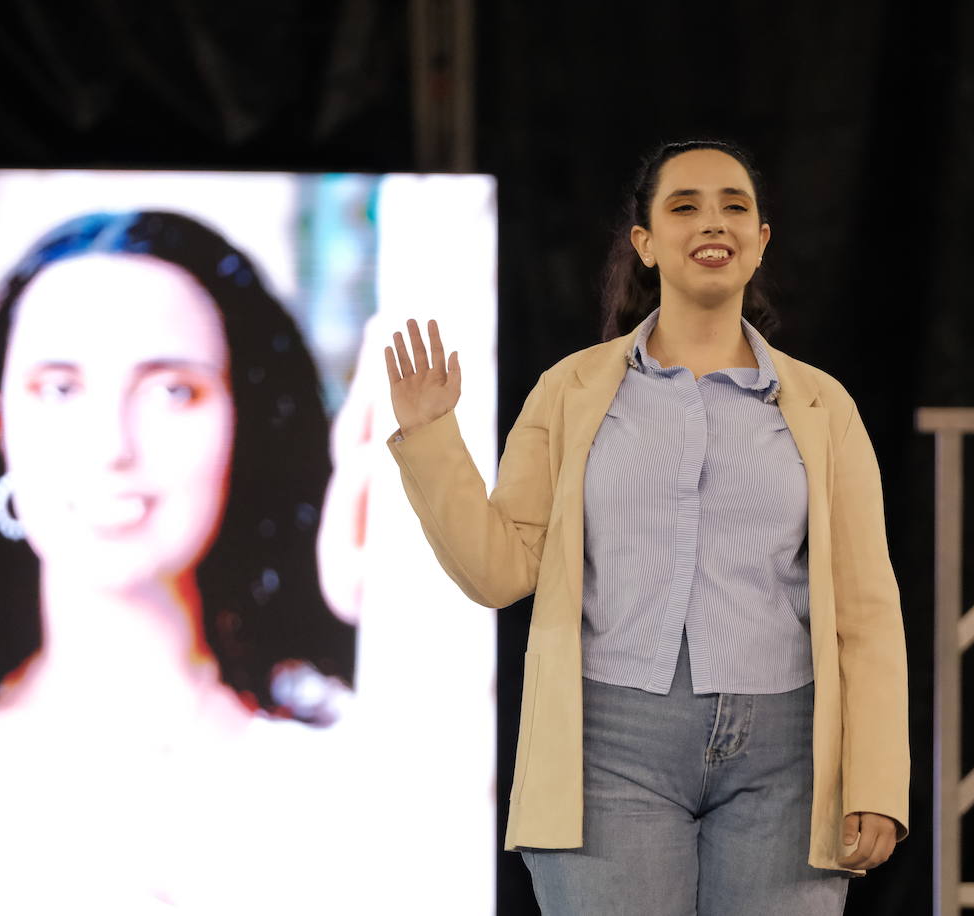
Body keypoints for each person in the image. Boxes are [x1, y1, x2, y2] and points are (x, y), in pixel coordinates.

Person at [385, 140, 909, 915]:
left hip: (786, 756)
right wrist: (433, 439)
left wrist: (875, 781)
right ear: (646, 243)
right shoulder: (570, 391)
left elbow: (868, 610)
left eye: (736, 206)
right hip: (609, 748)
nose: (713, 223)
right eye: (685, 206)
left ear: (761, 243)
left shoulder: (823, 407)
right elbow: (500, 570)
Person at [0, 210, 357, 909]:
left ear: (242, 417)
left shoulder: (347, 754)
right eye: (59, 388)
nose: (111, 445)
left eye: (171, 391)